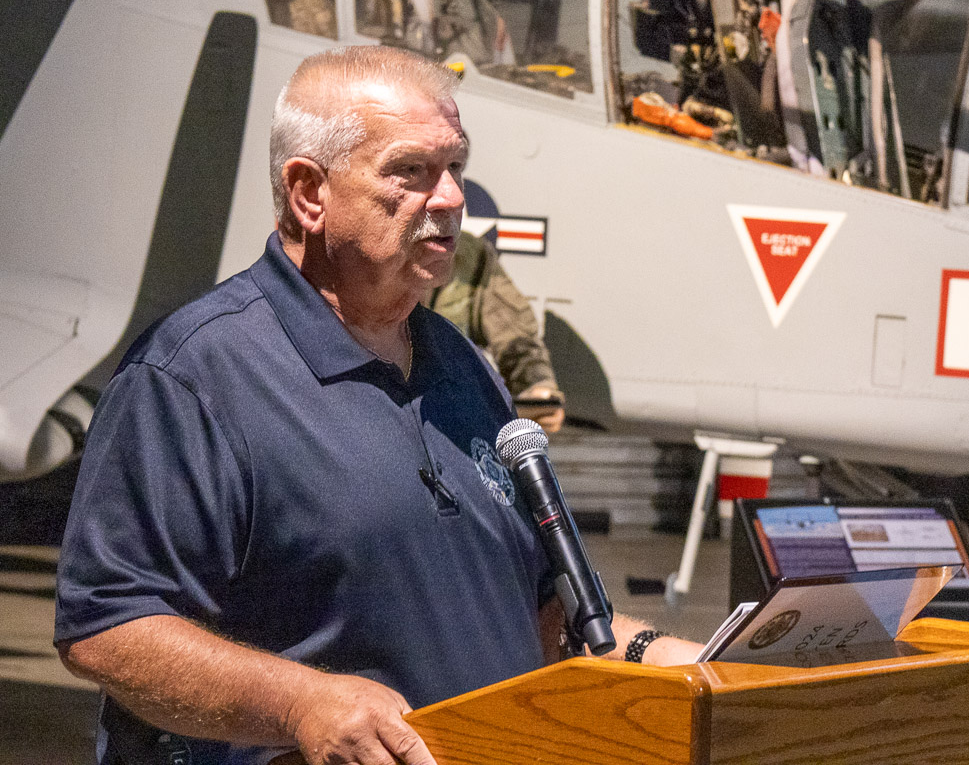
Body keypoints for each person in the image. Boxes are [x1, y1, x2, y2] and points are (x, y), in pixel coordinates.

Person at [55, 46, 702, 765]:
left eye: (455, 166)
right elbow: (106, 625)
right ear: (309, 193)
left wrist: (668, 659)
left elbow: (541, 612)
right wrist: (301, 704)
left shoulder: (465, 368)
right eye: (411, 170)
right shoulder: (191, 377)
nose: (451, 197)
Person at [428, 230, 566, 434]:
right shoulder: (375, 256)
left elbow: (516, 339)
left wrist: (537, 389)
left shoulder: (473, 256)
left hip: (447, 422)